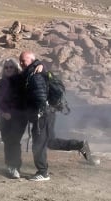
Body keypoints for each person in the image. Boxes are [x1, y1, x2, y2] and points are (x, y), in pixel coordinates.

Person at [19, 51, 92, 182]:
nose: (21, 63)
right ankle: (80, 145)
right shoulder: (34, 71)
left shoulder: (35, 75)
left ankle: (43, 172)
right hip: (48, 112)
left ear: (31, 60)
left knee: (38, 144)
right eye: (20, 60)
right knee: (50, 142)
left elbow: (40, 95)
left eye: (23, 60)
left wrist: (38, 111)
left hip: (42, 114)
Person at [0, 58, 27, 179]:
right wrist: (2, 113)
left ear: (16, 69)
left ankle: (15, 167)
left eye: (11, 67)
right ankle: (10, 166)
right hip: (4, 118)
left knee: (14, 141)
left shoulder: (22, 82)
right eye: (6, 67)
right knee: (7, 141)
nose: (9, 69)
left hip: (19, 118)